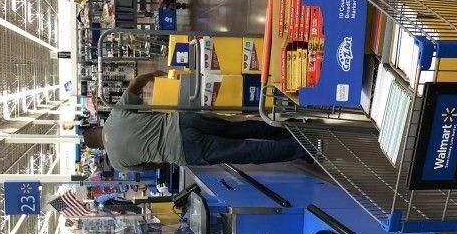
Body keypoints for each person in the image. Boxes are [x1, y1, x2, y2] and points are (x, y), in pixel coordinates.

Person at [81, 71, 308, 171]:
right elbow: (136, 84)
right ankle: (289, 130)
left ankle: (301, 149)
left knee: (244, 150)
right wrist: (152, 76)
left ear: (100, 149)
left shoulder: (118, 163)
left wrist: (163, 153)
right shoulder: (115, 116)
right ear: (97, 127)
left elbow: (151, 166)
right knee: (237, 129)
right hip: (183, 122)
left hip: (184, 151)